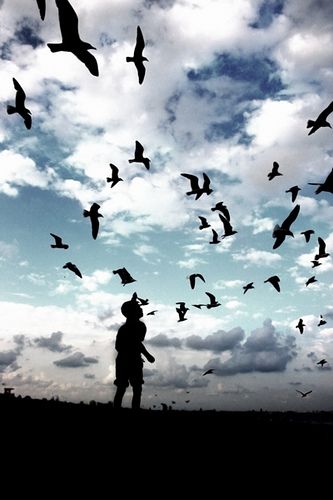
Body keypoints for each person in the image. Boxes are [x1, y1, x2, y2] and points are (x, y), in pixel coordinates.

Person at [113, 292, 155, 409]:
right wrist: (147, 355)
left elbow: (136, 343)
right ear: (131, 313)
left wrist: (144, 355)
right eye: (138, 308)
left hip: (130, 359)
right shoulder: (133, 327)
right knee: (126, 388)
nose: (141, 310)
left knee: (134, 388)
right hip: (128, 360)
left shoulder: (138, 327)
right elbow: (136, 343)